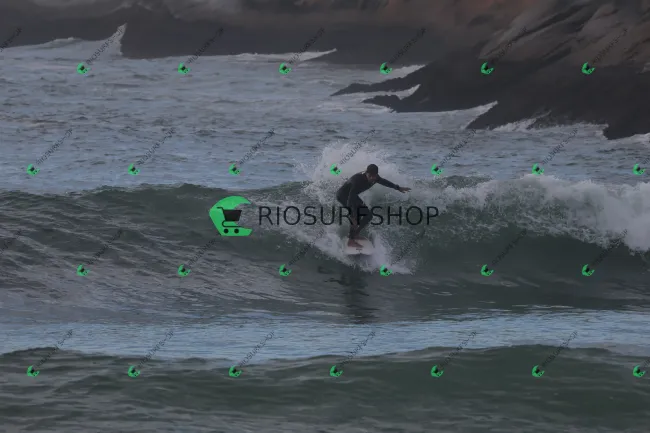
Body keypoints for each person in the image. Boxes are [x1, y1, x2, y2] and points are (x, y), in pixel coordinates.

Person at [336, 164, 411, 247]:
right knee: (355, 216)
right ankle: (351, 241)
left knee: (368, 216)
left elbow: (384, 182)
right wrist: (352, 215)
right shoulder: (357, 180)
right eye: (370, 176)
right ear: (366, 173)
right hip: (343, 196)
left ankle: (356, 234)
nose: (372, 178)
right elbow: (350, 199)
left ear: (376, 174)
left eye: (374, 176)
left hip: (353, 196)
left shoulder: (376, 178)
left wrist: (398, 188)